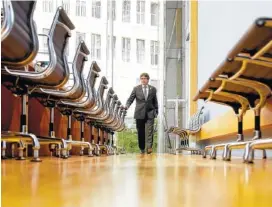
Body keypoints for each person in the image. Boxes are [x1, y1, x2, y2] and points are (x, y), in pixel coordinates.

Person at [124, 73, 158, 154]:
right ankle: (142, 148)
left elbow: (155, 101)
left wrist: (156, 111)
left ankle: (149, 147)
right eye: (141, 78)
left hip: (150, 113)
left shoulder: (153, 89)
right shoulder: (136, 89)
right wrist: (127, 106)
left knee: (150, 131)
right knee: (140, 132)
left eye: (145, 78)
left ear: (148, 79)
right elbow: (130, 99)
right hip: (139, 113)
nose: (143, 80)